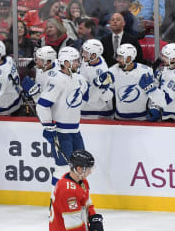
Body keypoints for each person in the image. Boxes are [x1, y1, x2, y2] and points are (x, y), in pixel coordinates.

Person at [36, 46, 88, 187]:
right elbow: (42, 105)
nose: (78, 63)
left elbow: (84, 100)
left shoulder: (80, 79)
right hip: (61, 134)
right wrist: (48, 126)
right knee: (63, 169)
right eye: (75, 61)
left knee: (81, 168)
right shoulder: (57, 80)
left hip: (75, 132)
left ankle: (78, 201)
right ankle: (55, 204)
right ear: (66, 63)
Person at [49, 149, 104, 231]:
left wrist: (93, 217)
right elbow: (73, 226)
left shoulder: (81, 181)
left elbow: (86, 202)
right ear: (79, 169)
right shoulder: (67, 190)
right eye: (88, 169)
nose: (90, 172)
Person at [140, 43, 175, 122]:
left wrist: (149, 88)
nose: (162, 58)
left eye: (165, 57)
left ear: (174, 59)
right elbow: (161, 84)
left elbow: (164, 100)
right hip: (171, 110)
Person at [105, 43, 153, 120]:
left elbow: (152, 93)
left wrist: (154, 108)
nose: (117, 59)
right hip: (119, 118)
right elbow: (107, 95)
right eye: (118, 56)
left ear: (129, 58)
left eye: (121, 57)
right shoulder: (112, 71)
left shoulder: (146, 71)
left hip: (142, 119)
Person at [80, 39, 114, 119]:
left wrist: (97, 86)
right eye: (83, 51)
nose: (82, 54)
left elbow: (94, 98)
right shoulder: (91, 60)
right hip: (85, 110)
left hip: (97, 114)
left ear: (94, 55)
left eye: (85, 53)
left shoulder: (102, 73)